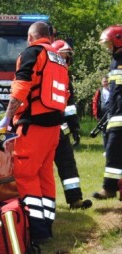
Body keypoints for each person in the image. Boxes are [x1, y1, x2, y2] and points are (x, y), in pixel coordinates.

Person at [0, 22, 69, 243]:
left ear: (30, 37)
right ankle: (47, 226)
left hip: (33, 126)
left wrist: (7, 118)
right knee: (45, 176)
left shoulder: (32, 53)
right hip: (53, 128)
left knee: (26, 175)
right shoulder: (59, 59)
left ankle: (36, 231)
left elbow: (21, 88)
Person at [51, 40, 92, 210]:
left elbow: (70, 107)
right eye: (63, 57)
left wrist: (74, 128)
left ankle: (75, 200)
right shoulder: (44, 73)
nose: (66, 61)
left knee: (68, 164)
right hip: (43, 128)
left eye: (67, 58)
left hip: (60, 130)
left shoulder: (65, 77)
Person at [93, 25, 122, 200]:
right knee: (113, 153)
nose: (108, 48)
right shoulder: (115, 61)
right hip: (116, 116)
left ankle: (110, 189)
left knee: (113, 152)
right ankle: (112, 189)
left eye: (110, 44)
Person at [92, 76, 110, 148]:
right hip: (102, 114)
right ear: (102, 83)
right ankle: (106, 149)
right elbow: (95, 102)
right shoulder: (99, 91)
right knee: (104, 132)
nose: (105, 83)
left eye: (107, 81)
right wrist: (96, 115)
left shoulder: (113, 90)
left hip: (111, 113)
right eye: (104, 81)